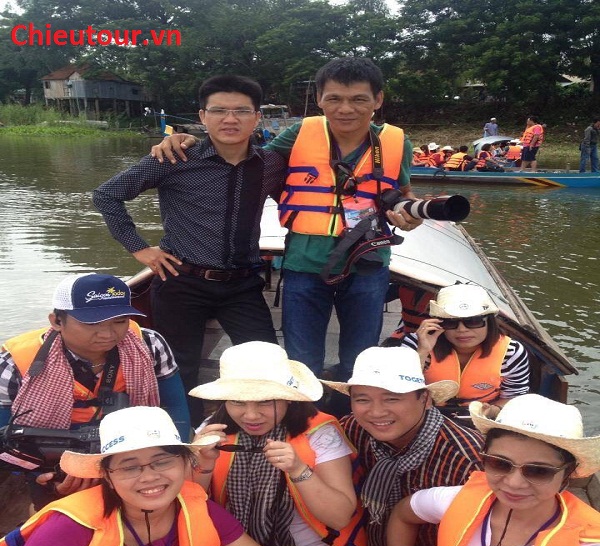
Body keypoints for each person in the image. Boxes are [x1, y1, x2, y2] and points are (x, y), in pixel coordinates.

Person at [150, 58, 421, 396]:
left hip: (368, 265)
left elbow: (404, 194)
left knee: (361, 356)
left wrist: (411, 215)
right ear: (319, 99)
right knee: (301, 359)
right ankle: (305, 418)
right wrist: (187, 141)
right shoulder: (300, 134)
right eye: (334, 98)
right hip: (304, 265)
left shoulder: (396, 143)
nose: (345, 109)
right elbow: (246, 160)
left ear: (377, 100)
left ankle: (353, 417)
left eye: (358, 99)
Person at [93, 75, 287, 427]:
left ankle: (256, 431)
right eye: (219, 111)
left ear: (257, 117)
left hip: (242, 284)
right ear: (202, 116)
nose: (230, 119)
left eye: (241, 111)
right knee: (179, 367)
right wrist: (140, 249)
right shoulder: (174, 158)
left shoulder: (271, 164)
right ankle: (186, 437)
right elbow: (107, 195)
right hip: (182, 280)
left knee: (266, 359)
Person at [0, 406, 349, 546]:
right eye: (130, 466)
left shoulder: (201, 511)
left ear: (186, 464)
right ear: (107, 475)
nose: (149, 477)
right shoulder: (68, 529)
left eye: (162, 461)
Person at [188, 341, 366, 546]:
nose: (251, 415)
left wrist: (298, 469)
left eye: (265, 402)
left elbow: (339, 517)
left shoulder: (320, 432)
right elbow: (189, 507)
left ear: (288, 399)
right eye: (237, 402)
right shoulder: (212, 430)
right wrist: (203, 464)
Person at [0, 273, 190, 509]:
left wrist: (175, 459)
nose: (108, 334)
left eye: (119, 321)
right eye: (92, 323)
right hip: (53, 458)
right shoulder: (15, 363)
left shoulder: (149, 344)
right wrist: (40, 476)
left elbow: (174, 406)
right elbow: (6, 437)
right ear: (57, 321)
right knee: (51, 509)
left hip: (132, 451)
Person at [384, 394, 600, 546]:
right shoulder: (458, 501)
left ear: (567, 473)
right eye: (500, 464)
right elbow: (403, 514)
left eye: (538, 471)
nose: (514, 483)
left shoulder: (591, 544)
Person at [323, 346, 483, 546]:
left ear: (425, 399)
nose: (376, 412)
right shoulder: (351, 429)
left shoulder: (467, 458)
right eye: (362, 399)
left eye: (392, 398)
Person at [401, 283, 529, 413]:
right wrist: (422, 352)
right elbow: (399, 388)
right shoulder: (417, 343)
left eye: (473, 321)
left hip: (481, 416)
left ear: (489, 322)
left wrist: (492, 411)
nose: (462, 330)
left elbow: (514, 396)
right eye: (450, 322)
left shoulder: (511, 352)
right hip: (424, 412)